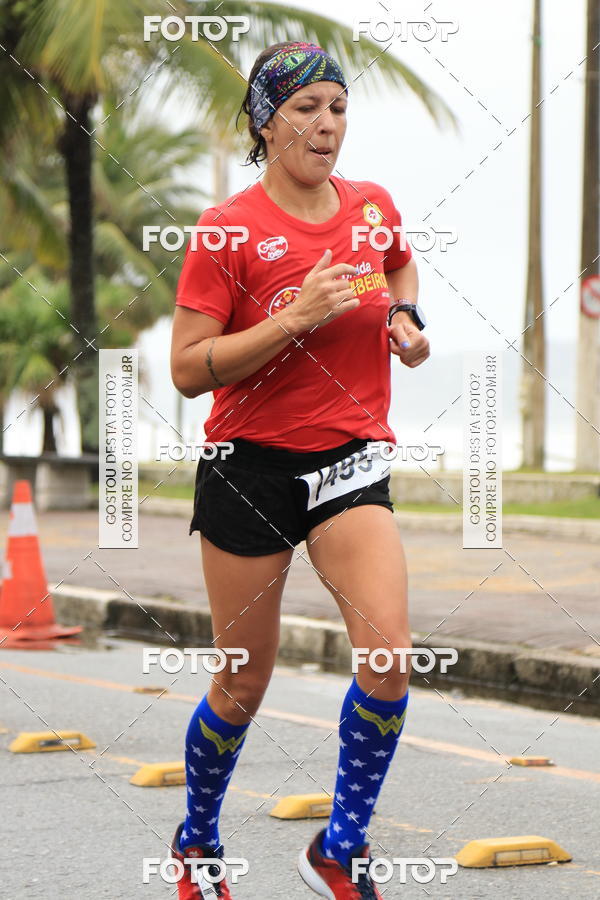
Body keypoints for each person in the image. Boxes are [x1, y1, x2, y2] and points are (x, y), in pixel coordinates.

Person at [169, 40, 430, 900]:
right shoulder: (227, 230)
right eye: (306, 109)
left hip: (350, 458)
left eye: (338, 107)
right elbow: (187, 367)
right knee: (244, 679)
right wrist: (297, 318)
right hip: (249, 466)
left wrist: (404, 315)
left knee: (390, 657)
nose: (327, 127)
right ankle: (197, 843)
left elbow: (397, 259)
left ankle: (339, 847)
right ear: (264, 121)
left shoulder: (370, 206)